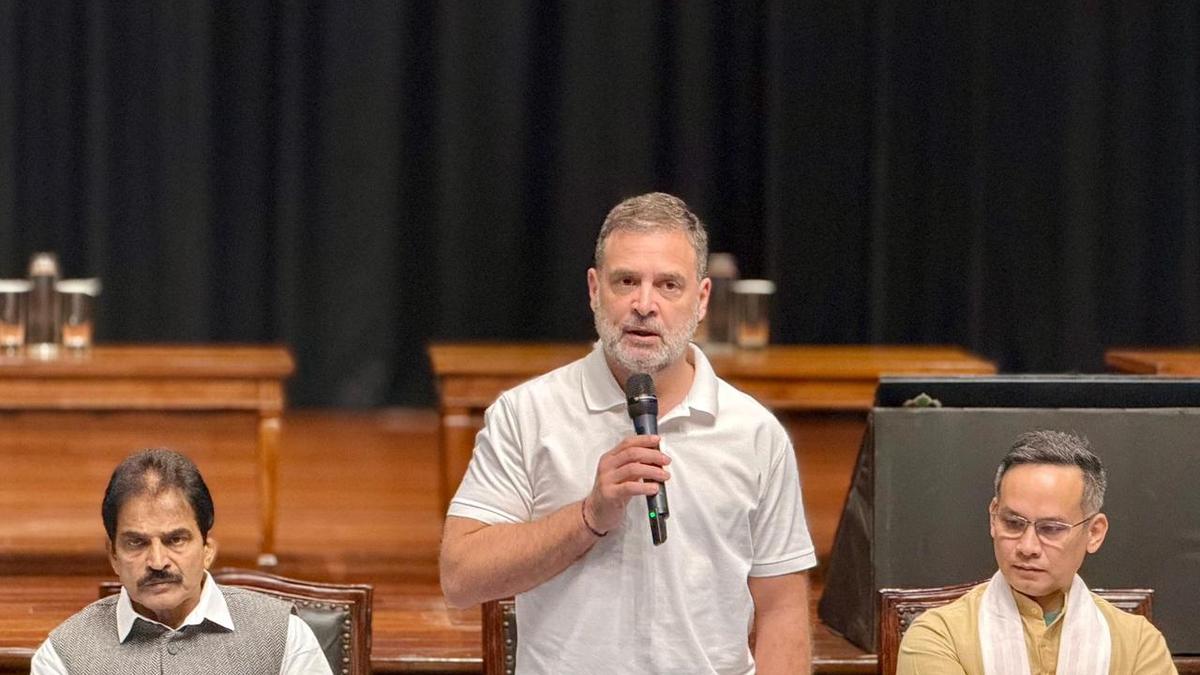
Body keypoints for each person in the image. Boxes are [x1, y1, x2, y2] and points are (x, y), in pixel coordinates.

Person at [439, 192, 816, 674]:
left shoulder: (755, 434)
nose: (644, 305)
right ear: (594, 290)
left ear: (702, 299)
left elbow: (782, 610)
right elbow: (460, 577)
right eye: (626, 281)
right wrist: (588, 516)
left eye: (668, 285)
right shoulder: (527, 414)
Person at [30, 448, 333, 675]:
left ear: (207, 549)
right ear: (113, 555)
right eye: (137, 543)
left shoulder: (283, 637)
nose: (157, 561)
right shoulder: (64, 657)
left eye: (175, 540)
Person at [897, 430, 1176, 674]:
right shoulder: (939, 636)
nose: (1027, 547)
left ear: (1094, 533)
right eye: (1013, 523)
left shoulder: (1138, 644)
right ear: (993, 517)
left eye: (1051, 529)